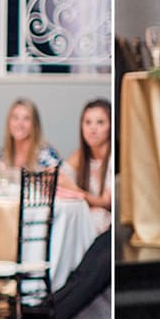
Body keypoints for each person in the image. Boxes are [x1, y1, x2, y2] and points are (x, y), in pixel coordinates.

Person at [58, 98, 113, 233]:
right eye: (88, 122)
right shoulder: (80, 156)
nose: (92, 129)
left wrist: (76, 191)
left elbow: (106, 202)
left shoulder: (113, 157)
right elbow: (61, 176)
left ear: (111, 126)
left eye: (100, 122)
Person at [0, 99, 62, 173]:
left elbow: (59, 181)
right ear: (8, 122)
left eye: (26, 118)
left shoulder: (47, 155)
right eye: (15, 118)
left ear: (34, 125)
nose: (20, 124)